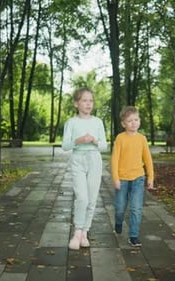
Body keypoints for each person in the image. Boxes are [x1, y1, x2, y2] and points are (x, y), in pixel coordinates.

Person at [61, 87, 107, 250]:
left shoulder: (98, 122)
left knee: (92, 199)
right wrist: (78, 140)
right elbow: (65, 146)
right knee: (82, 197)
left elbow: (104, 145)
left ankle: (84, 233)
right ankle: (77, 231)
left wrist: (95, 141)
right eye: (84, 100)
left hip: (94, 159)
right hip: (78, 159)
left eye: (91, 101)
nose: (88, 104)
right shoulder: (71, 123)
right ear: (76, 104)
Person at [111, 106, 154, 247]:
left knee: (136, 208)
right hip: (122, 179)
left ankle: (133, 236)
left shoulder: (142, 139)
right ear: (124, 124)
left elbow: (148, 159)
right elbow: (115, 159)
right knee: (120, 208)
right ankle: (118, 222)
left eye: (136, 119)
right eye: (129, 121)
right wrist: (116, 178)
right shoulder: (120, 138)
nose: (133, 123)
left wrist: (150, 177)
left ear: (139, 121)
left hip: (138, 179)